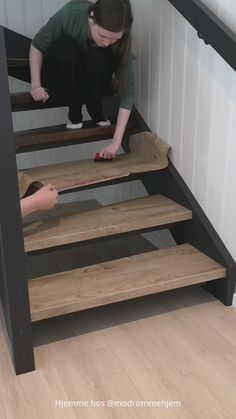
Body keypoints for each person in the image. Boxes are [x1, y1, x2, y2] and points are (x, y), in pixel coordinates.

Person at [29, 0, 135, 159]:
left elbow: (128, 92)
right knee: (67, 46)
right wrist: (35, 85)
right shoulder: (71, 13)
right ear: (92, 17)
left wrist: (116, 140)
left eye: (114, 40)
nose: (107, 43)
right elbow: (37, 45)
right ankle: (75, 113)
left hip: (91, 80)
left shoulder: (121, 41)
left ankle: (95, 109)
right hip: (62, 73)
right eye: (103, 35)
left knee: (99, 55)